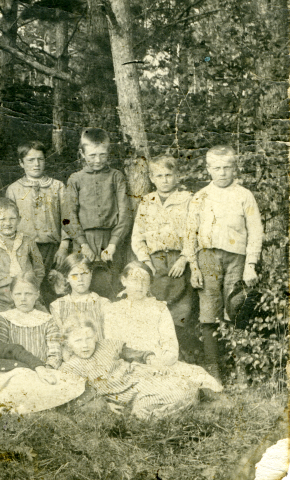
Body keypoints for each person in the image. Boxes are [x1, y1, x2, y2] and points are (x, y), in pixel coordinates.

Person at [184, 145, 263, 382]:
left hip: (236, 258)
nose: (222, 173)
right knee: (209, 312)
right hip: (207, 258)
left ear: (234, 168)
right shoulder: (200, 196)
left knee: (236, 308)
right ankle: (213, 372)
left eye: (227, 168)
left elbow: (255, 231)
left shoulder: (244, 195)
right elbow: (189, 233)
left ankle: (241, 369)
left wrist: (251, 264)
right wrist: (193, 267)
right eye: (216, 168)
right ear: (208, 169)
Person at [58, 317, 208, 420]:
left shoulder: (106, 345)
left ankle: (184, 397)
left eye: (88, 338)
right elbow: (79, 395)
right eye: (78, 340)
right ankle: (169, 408)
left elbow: (133, 354)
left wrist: (150, 358)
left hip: (139, 378)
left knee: (181, 384)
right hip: (124, 395)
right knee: (144, 407)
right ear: (67, 343)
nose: (85, 345)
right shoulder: (70, 368)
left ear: (95, 336)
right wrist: (104, 405)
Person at [104, 263, 223, 392]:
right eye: (134, 280)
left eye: (145, 280)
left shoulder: (159, 308)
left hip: (161, 363)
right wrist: (144, 361)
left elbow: (170, 345)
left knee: (200, 376)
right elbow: (113, 347)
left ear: (150, 284)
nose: (140, 285)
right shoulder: (113, 310)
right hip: (130, 364)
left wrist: (161, 363)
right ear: (124, 280)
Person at [131, 155, 197, 359]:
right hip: (155, 263)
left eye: (169, 175)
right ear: (152, 178)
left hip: (178, 261)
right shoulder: (146, 202)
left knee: (182, 311)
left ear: (176, 176)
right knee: (158, 308)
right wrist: (146, 262)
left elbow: (193, 231)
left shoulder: (187, 199)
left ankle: (184, 356)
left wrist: (184, 258)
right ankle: (160, 355)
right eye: (159, 175)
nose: (165, 180)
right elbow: (137, 235)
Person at [65, 127, 131, 299]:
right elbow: (68, 216)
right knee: (83, 285)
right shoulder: (75, 179)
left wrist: (113, 244)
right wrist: (83, 244)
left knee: (112, 287)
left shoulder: (116, 177)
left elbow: (125, 214)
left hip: (111, 240)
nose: (98, 160)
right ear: (82, 153)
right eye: (92, 155)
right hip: (84, 241)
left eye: (102, 154)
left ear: (108, 152)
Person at [5, 141, 71, 276]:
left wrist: (64, 247)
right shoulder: (13, 189)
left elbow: (67, 218)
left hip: (52, 249)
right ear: (21, 163)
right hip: (24, 250)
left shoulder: (57, 187)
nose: (36, 164)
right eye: (30, 160)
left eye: (40, 159)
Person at [0, 197, 47, 312]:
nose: (7, 223)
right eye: (2, 219)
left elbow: (39, 269)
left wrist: (32, 288)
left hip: (28, 295)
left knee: (44, 319)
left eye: (12, 219)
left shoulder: (28, 241)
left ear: (19, 219)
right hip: (1, 299)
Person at [0, 278, 62, 368]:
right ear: (11, 295)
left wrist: (47, 369)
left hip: (44, 370)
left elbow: (55, 352)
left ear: (37, 294)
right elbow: (1, 351)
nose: (23, 299)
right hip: (14, 370)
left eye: (28, 294)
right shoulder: (4, 319)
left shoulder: (48, 320)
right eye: (18, 294)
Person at [50, 254, 110, 340]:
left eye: (84, 273)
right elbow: (58, 339)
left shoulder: (103, 303)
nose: (80, 279)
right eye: (74, 275)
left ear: (91, 274)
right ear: (67, 278)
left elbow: (109, 337)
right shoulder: (57, 306)